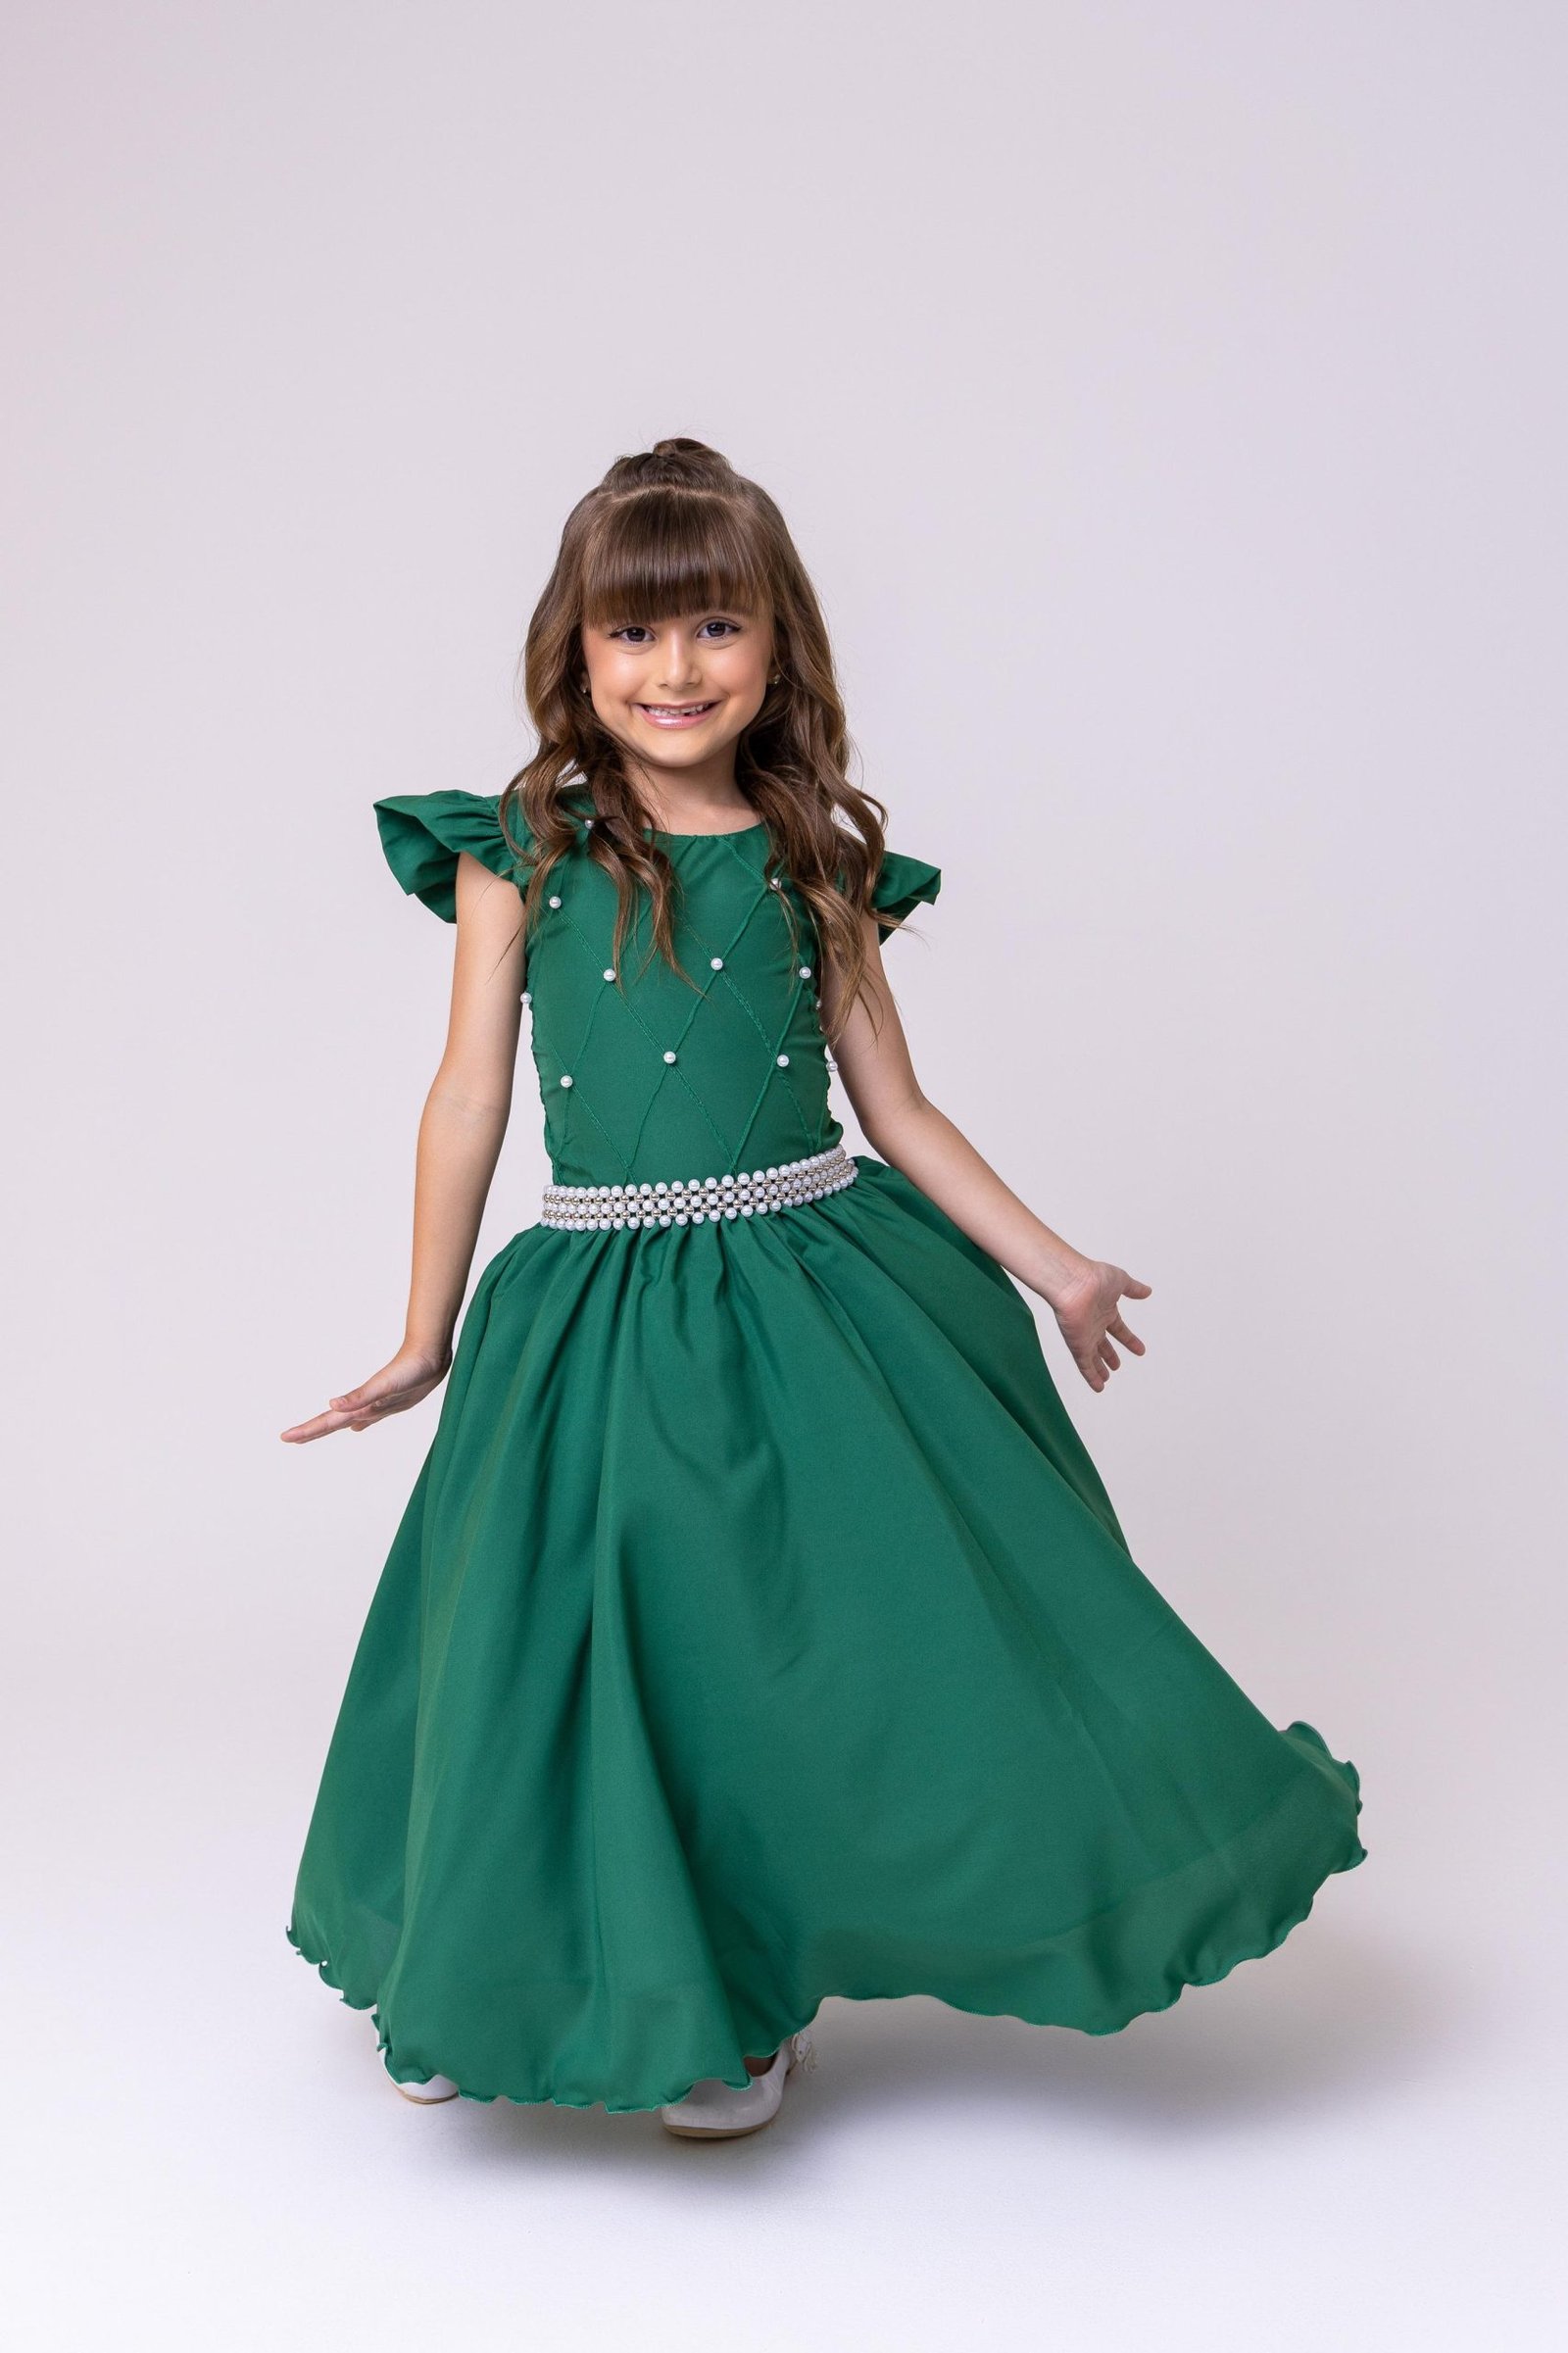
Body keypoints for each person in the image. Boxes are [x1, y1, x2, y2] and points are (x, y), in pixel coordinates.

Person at [281, 436, 1364, 2141]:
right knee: (547, 1643)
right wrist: (426, 1332)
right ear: (576, 650)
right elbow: (469, 1094)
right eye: (634, 632)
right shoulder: (524, 849)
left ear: (779, 644)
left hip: (805, 1299)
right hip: (591, 1312)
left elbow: (901, 1111)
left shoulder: (812, 859)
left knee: (772, 1651)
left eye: (716, 626)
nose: (675, 667)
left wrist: (1058, 1265)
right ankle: (497, 1979)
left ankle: (739, 1999)